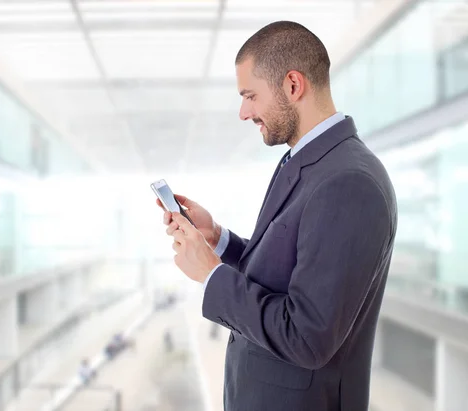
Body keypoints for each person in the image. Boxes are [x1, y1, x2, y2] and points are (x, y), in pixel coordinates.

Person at [157, 21, 397, 411]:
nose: (243, 111)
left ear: (292, 85)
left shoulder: (348, 182)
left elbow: (307, 335)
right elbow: (290, 269)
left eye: (250, 95)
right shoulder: (308, 161)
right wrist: (217, 239)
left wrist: (211, 274)